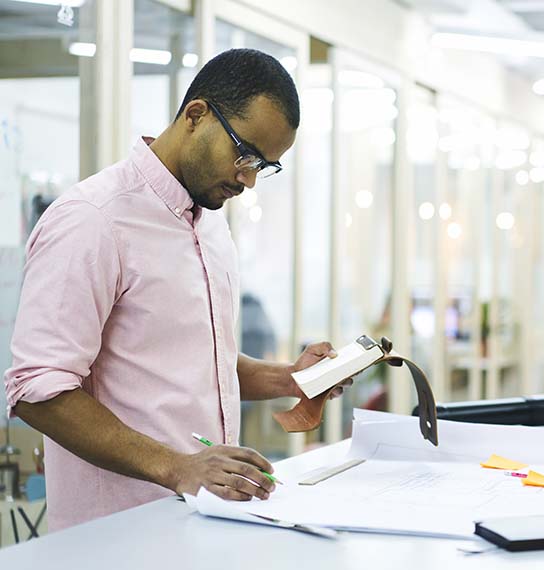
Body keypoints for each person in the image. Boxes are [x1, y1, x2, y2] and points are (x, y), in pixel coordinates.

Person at [3, 49, 350, 531]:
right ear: (196, 115)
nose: (248, 179)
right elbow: (38, 390)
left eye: (265, 166)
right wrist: (179, 468)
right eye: (245, 154)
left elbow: (196, 362)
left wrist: (289, 379)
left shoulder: (208, 225)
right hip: (116, 540)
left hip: (205, 526)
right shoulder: (93, 219)